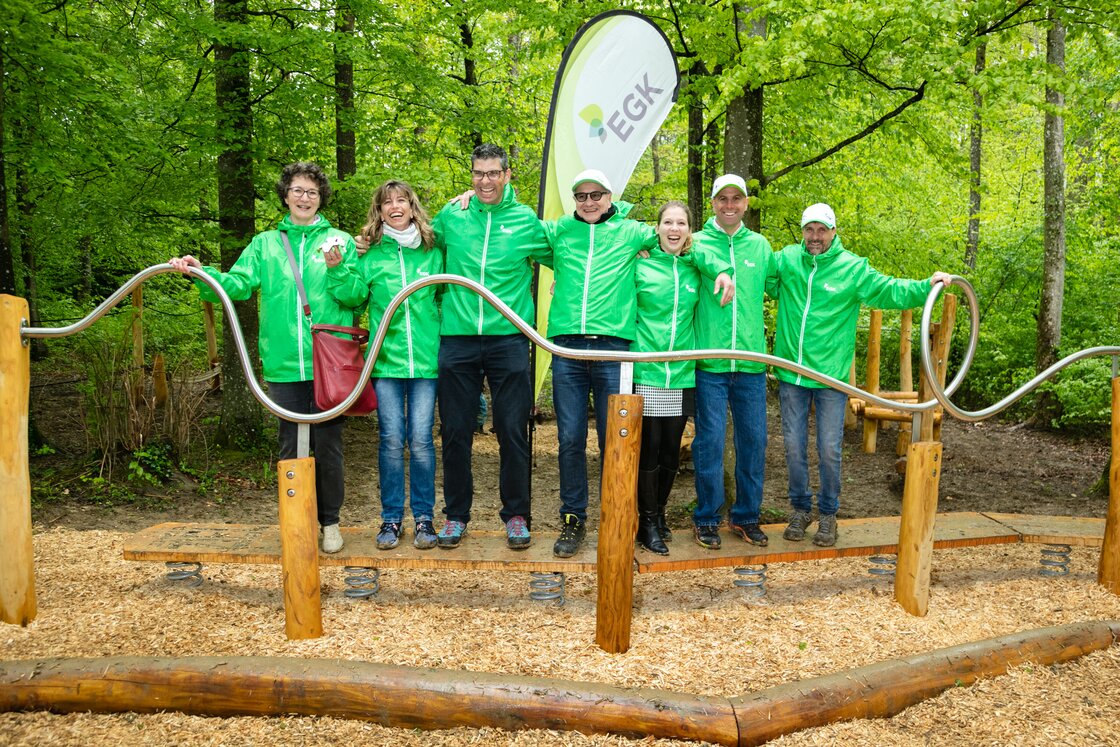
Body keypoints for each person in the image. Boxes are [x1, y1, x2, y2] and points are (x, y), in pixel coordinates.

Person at [540, 171, 734, 558]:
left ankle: (621, 518)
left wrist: (721, 270)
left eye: (597, 194)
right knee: (569, 440)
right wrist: (472, 199)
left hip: (620, 352)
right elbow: (517, 235)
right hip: (569, 349)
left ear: (609, 196)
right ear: (573, 199)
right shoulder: (560, 230)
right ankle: (573, 519)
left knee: (618, 442)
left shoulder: (632, 233)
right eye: (581, 195)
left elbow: (682, 243)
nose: (589, 201)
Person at [168, 162, 358, 554]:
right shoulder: (266, 244)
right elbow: (238, 285)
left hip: (330, 364)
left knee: (328, 445)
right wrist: (203, 275)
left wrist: (337, 270)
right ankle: (296, 523)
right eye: (298, 190)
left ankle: (331, 524)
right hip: (285, 362)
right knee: (290, 445)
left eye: (312, 192)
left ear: (321, 198)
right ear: (285, 195)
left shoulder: (340, 240)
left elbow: (356, 297)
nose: (305, 198)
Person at [773, 203, 953, 547]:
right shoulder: (785, 261)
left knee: (828, 448)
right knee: (794, 447)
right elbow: (754, 277)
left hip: (830, 378)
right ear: (802, 232)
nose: (815, 237)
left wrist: (926, 285)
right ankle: (800, 509)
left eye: (822, 230)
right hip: (791, 374)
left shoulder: (852, 269)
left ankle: (828, 515)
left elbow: (889, 290)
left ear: (833, 232)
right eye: (809, 230)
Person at [431, 143, 550, 550]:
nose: (485, 181)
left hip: (509, 339)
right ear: (472, 176)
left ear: (507, 175)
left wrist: (634, 241)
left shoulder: (525, 221)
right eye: (478, 174)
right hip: (458, 338)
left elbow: (569, 252)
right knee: (455, 431)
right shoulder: (453, 215)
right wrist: (366, 242)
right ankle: (455, 516)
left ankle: (516, 515)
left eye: (492, 173)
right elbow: (415, 240)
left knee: (513, 430)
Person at [327, 180, 442, 551]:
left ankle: (424, 519)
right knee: (392, 440)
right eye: (387, 202)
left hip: (425, 362)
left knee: (422, 441)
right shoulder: (369, 254)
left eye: (401, 200)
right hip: (386, 363)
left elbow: (446, 294)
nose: (395, 206)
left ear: (412, 206)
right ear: (379, 211)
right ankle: (391, 519)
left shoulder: (433, 250)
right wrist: (337, 268)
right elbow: (354, 295)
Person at [632, 201, 733, 555]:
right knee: (648, 452)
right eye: (667, 222)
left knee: (672, 455)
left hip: (682, 373)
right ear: (656, 227)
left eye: (681, 223)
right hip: (645, 371)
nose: (674, 229)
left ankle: (658, 514)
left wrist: (721, 271)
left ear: (689, 230)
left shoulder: (693, 266)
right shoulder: (639, 264)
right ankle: (644, 522)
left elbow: (708, 258)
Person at [689, 174, 777, 551]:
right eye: (722, 198)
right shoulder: (695, 243)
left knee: (754, 442)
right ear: (712, 204)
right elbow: (665, 256)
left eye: (736, 198)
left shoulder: (760, 246)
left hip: (751, 364)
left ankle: (746, 517)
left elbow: (781, 285)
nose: (729, 204)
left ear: (745, 204)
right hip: (709, 364)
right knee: (708, 442)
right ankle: (707, 517)